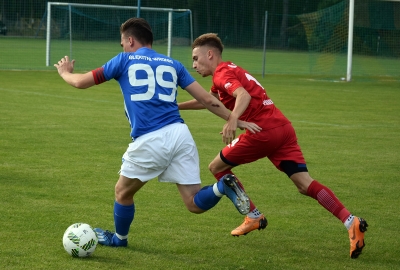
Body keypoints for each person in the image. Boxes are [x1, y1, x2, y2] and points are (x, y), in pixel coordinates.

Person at [54, 18, 263, 247]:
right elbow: (206, 100)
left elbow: (81, 82)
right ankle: (222, 186)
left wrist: (65, 73)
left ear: (130, 40)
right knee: (193, 203)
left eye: (123, 42)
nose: (122, 47)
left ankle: (119, 239)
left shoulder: (124, 60)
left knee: (122, 193)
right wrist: (235, 119)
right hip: (180, 134)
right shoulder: (173, 64)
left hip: (151, 139)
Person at [178, 33, 368, 259]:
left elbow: (243, 95)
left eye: (196, 58)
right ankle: (350, 221)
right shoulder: (227, 71)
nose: (194, 64)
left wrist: (232, 120)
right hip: (283, 129)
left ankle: (253, 215)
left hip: (262, 132)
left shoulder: (222, 73)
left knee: (217, 168)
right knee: (304, 184)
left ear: (210, 54)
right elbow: (208, 101)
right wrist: (176, 106)